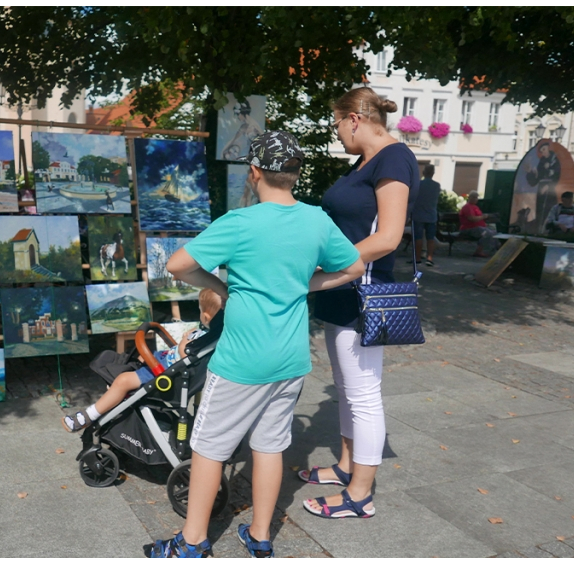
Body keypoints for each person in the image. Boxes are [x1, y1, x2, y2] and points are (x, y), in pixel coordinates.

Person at [148, 131, 364, 557]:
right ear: (296, 174)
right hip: (290, 359)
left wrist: (218, 285)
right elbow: (354, 266)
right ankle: (261, 536)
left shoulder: (240, 222)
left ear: (254, 172)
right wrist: (307, 283)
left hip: (241, 361)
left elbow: (177, 265)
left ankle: (192, 541)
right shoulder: (317, 220)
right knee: (270, 445)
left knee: (208, 448)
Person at [305, 87, 419, 520]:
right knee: (349, 392)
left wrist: (325, 275)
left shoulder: (394, 158)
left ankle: (361, 494)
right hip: (342, 291)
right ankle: (347, 466)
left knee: (364, 395)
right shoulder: (366, 161)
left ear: (353, 118)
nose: (337, 133)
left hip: (362, 294)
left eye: (336, 123)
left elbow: (387, 237)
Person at [60, 288, 222, 433]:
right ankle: (118, 398)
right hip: (167, 364)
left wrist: (184, 342)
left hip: (166, 375)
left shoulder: (202, 339)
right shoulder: (212, 334)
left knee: (122, 380)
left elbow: (186, 354)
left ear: (206, 317)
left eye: (200, 310)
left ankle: (87, 417)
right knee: (131, 362)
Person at [525, 140, 562, 234]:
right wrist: (530, 172)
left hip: (550, 191)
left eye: (544, 149)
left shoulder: (555, 160)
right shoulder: (542, 161)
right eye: (541, 151)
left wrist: (548, 186)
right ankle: (539, 230)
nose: (543, 152)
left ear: (549, 148)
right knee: (540, 210)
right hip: (541, 189)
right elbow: (536, 179)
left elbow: (556, 176)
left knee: (548, 210)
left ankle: (547, 230)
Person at [412, 164, 441, 267]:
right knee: (430, 238)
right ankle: (430, 258)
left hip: (418, 214)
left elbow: (412, 198)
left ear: (423, 173)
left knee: (418, 237)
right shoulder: (437, 186)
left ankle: (418, 258)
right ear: (433, 173)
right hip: (431, 214)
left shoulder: (418, 184)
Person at [459, 191, 500, 258]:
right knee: (487, 233)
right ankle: (479, 251)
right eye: (474, 197)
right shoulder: (467, 207)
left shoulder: (475, 207)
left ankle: (496, 249)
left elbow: (479, 217)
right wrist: (484, 216)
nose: (475, 199)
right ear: (469, 197)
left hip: (478, 228)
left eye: (476, 197)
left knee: (494, 232)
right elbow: (472, 219)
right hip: (468, 229)